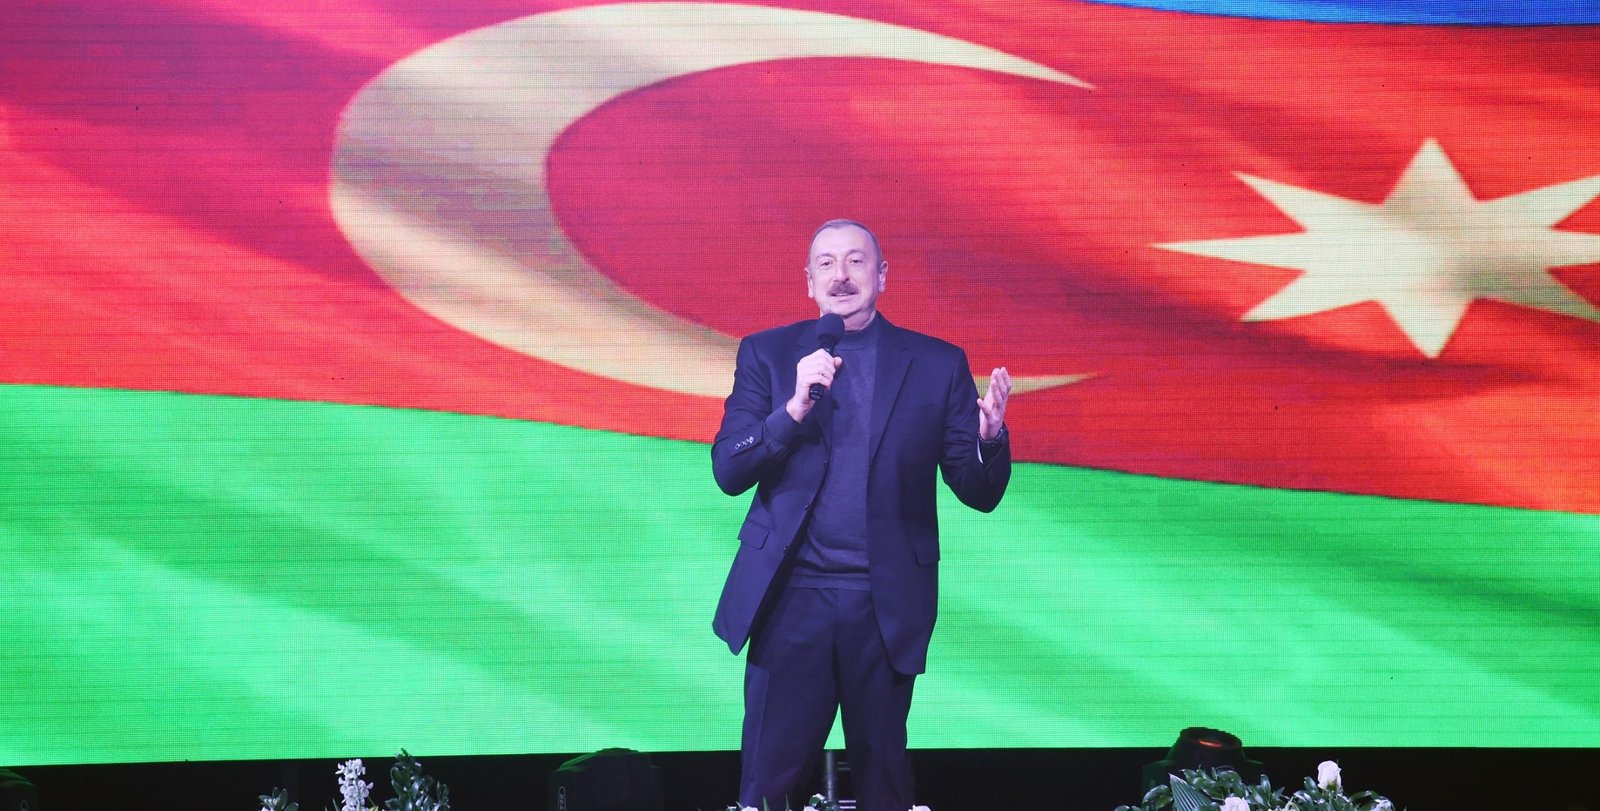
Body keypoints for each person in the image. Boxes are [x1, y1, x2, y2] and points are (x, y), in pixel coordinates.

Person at [711, 219, 1012, 811]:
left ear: (882, 275)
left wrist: (989, 440)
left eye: (856, 261)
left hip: (884, 603)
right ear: (808, 282)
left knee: (884, 781)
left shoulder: (936, 364)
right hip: (789, 599)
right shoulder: (768, 354)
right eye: (826, 264)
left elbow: (977, 490)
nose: (841, 276)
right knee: (769, 781)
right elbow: (729, 469)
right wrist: (792, 409)